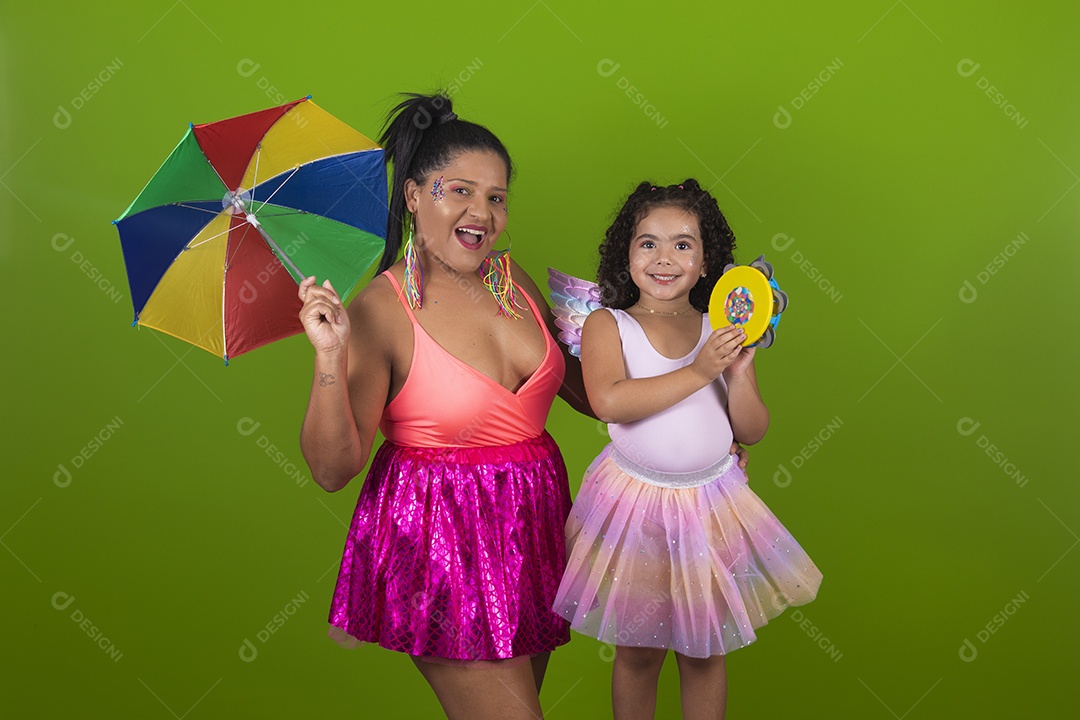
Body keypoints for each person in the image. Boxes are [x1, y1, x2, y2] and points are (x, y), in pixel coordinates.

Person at [296, 93, 592, 719]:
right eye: (459, 191)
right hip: (442, 543)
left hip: (533, 533)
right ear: (413, 196)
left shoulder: (513, 282)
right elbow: (332, 469)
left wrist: (702, 413)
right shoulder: (379, 311)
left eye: (496, 197)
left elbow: (594, 396)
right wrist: (329, 357)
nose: (481, 212)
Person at [552, 180, 822, 720]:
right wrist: (700, 371)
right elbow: (609, 401)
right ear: (625, 254)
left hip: (710, 506)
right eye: (647, 243)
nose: (664, 258)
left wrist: (737, 373)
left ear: (706, 263)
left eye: (683, 244)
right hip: (637, 508)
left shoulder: (718, 329)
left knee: (705, 650)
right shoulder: (610, 323)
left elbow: (753, 429)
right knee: (638, 650)